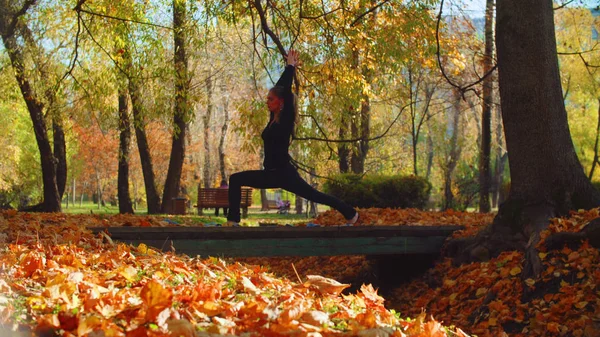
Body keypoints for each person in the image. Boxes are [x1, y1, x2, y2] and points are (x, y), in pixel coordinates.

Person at [226, 49, 359, 226]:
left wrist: (290, 67)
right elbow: (280, 88)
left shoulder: (286, 120)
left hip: (284, 173)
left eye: (270, 99)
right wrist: (287, 69)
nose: (267, 101)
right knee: (235, 179)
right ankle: (233, 222)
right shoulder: (272, 119)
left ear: (281, 103)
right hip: (270, 174)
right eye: (267, 98)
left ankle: (350, 213)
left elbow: (285, 90)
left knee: (314, 195)